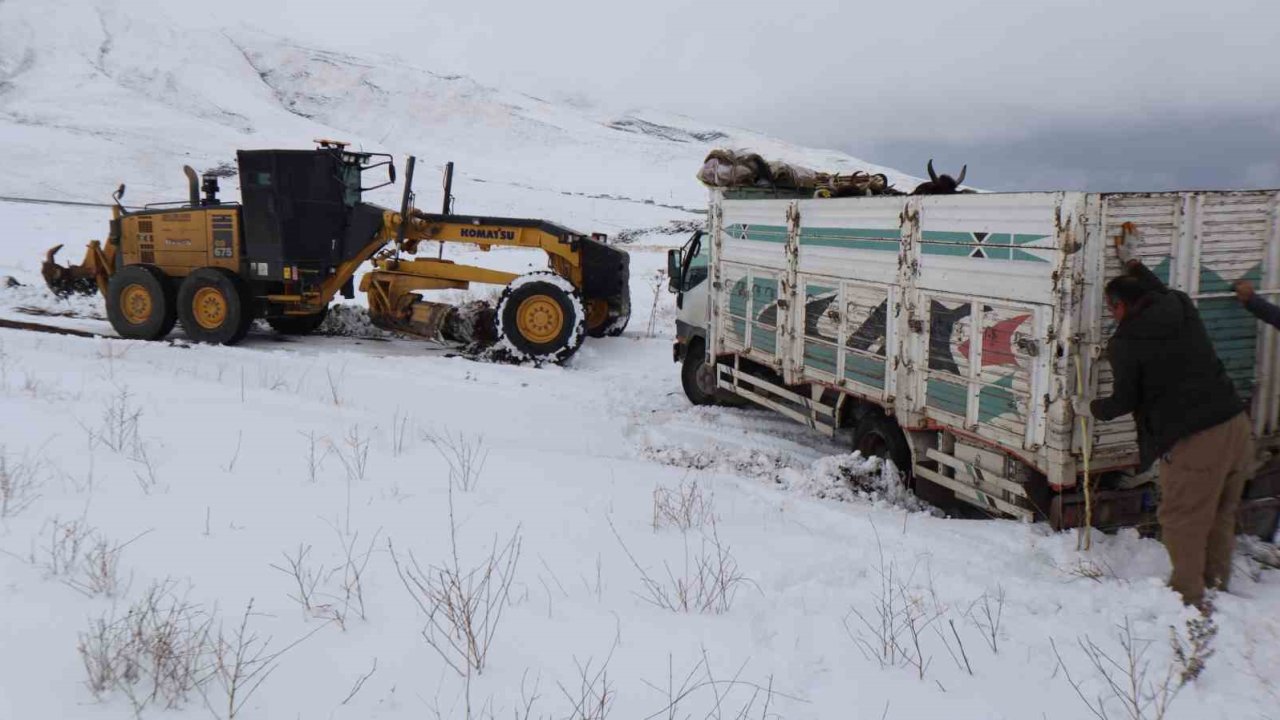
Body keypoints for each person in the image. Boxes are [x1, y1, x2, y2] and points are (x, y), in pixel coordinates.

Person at [1073, 224, 1252, 607]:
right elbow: (1157, 291)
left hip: (1195, 439)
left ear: (1119, 307)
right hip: (1235, 424)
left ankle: (1188, 600)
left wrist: (1087, 407)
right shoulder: (1181, 305)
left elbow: (1123, 401)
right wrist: (1133, 263)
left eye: (1110, 308)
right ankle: (1217, 583)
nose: (1110, 315)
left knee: (1182, 518)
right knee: (1221, 510)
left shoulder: (1126, 344)